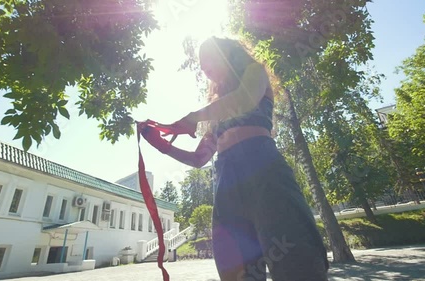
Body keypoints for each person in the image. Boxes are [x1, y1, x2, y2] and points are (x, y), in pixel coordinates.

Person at [139, 36, 329, 281]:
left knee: (296, 259)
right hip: (225, 181)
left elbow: (244, 100)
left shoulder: (254, 72)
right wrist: (161, 144)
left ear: (228, 53)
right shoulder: (216, 109)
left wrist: (192, 117)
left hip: (263, 167)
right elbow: (200, 158)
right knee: (236, 271)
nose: (204, 66)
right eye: (200, 63)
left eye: (208, 58)